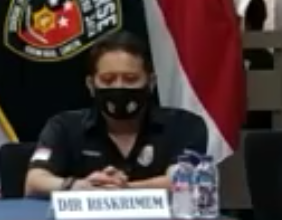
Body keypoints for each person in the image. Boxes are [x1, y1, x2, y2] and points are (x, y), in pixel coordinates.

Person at [25, 31, 209, 197]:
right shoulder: (63, 127)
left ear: (151, 83)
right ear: (91, 85)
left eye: (130, 79)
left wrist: (125, 189)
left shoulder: (185, 126)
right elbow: (34, 182)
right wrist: (78, 186)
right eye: (107, 80)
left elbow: (183, 181)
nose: (119, 87)